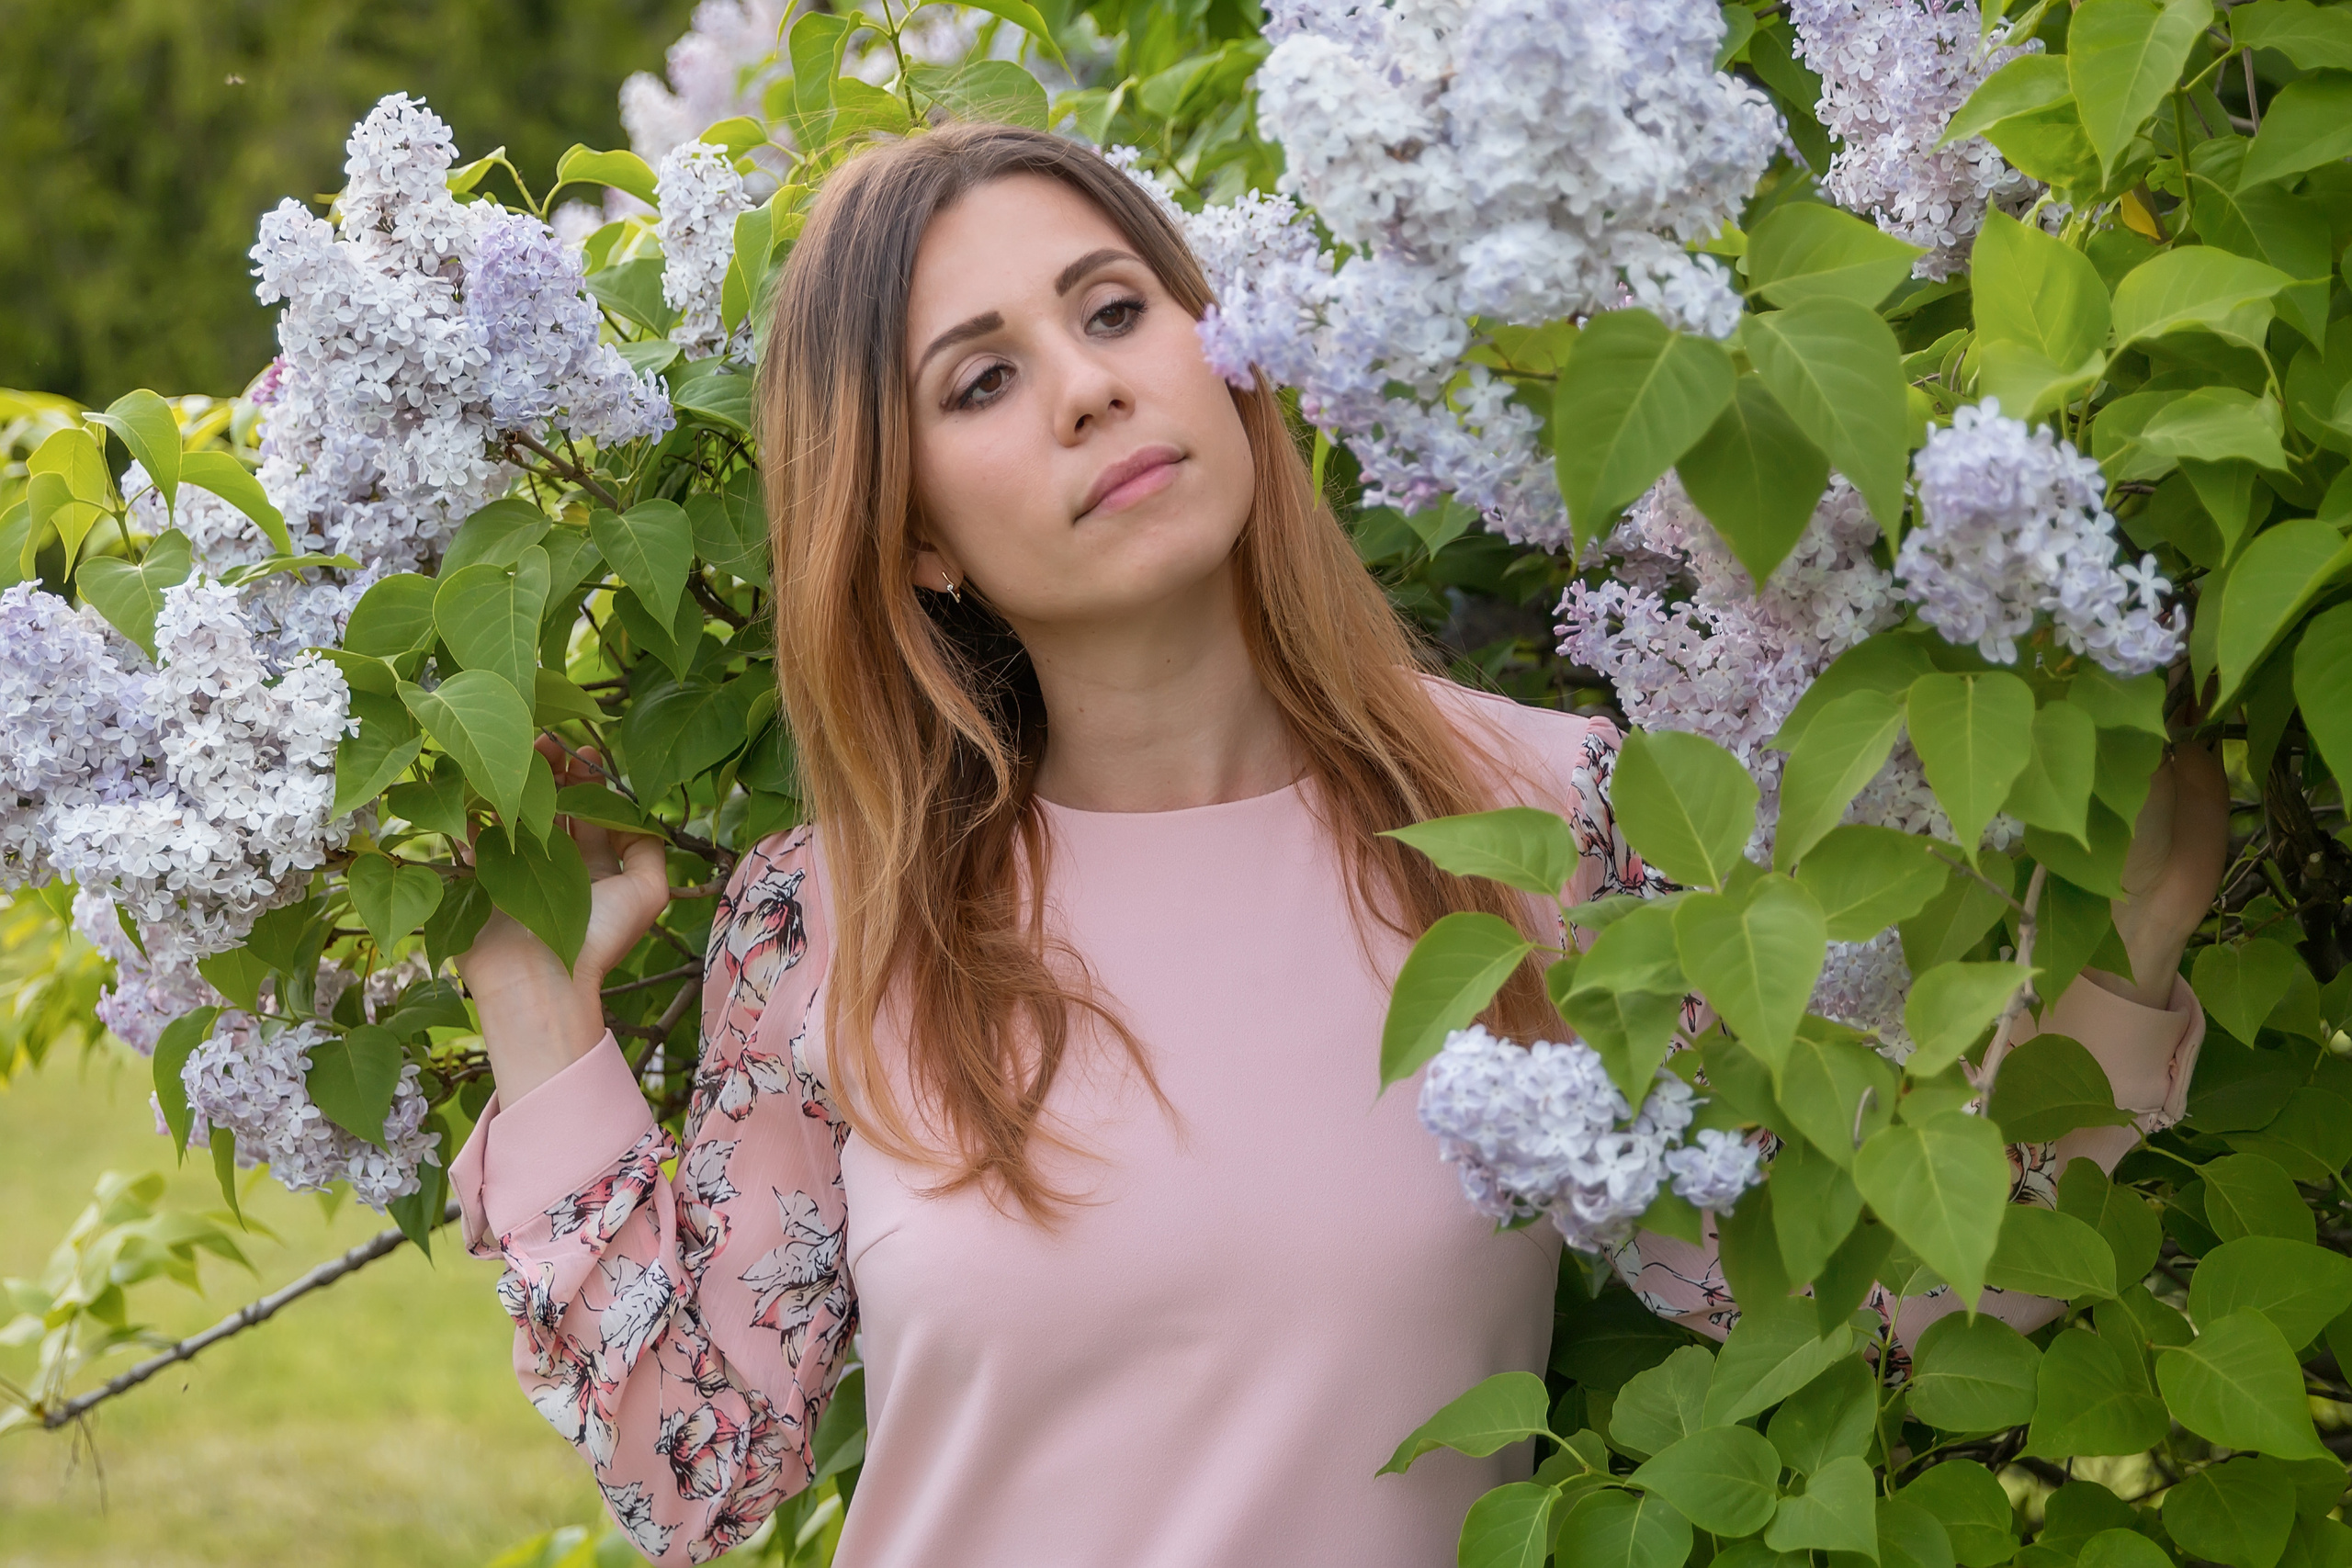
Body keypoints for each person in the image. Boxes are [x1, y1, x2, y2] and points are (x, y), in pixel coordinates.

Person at [450, 122, 2227, 1568]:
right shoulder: (836, 920)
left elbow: (1846, 1298)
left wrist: (2123, 960)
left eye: (1116, 310)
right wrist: (540, 1021)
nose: (1085, 388)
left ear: (1229, 357)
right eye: (981, 381)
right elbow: (698, 1474)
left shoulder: (1553, 821)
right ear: (915, 536)